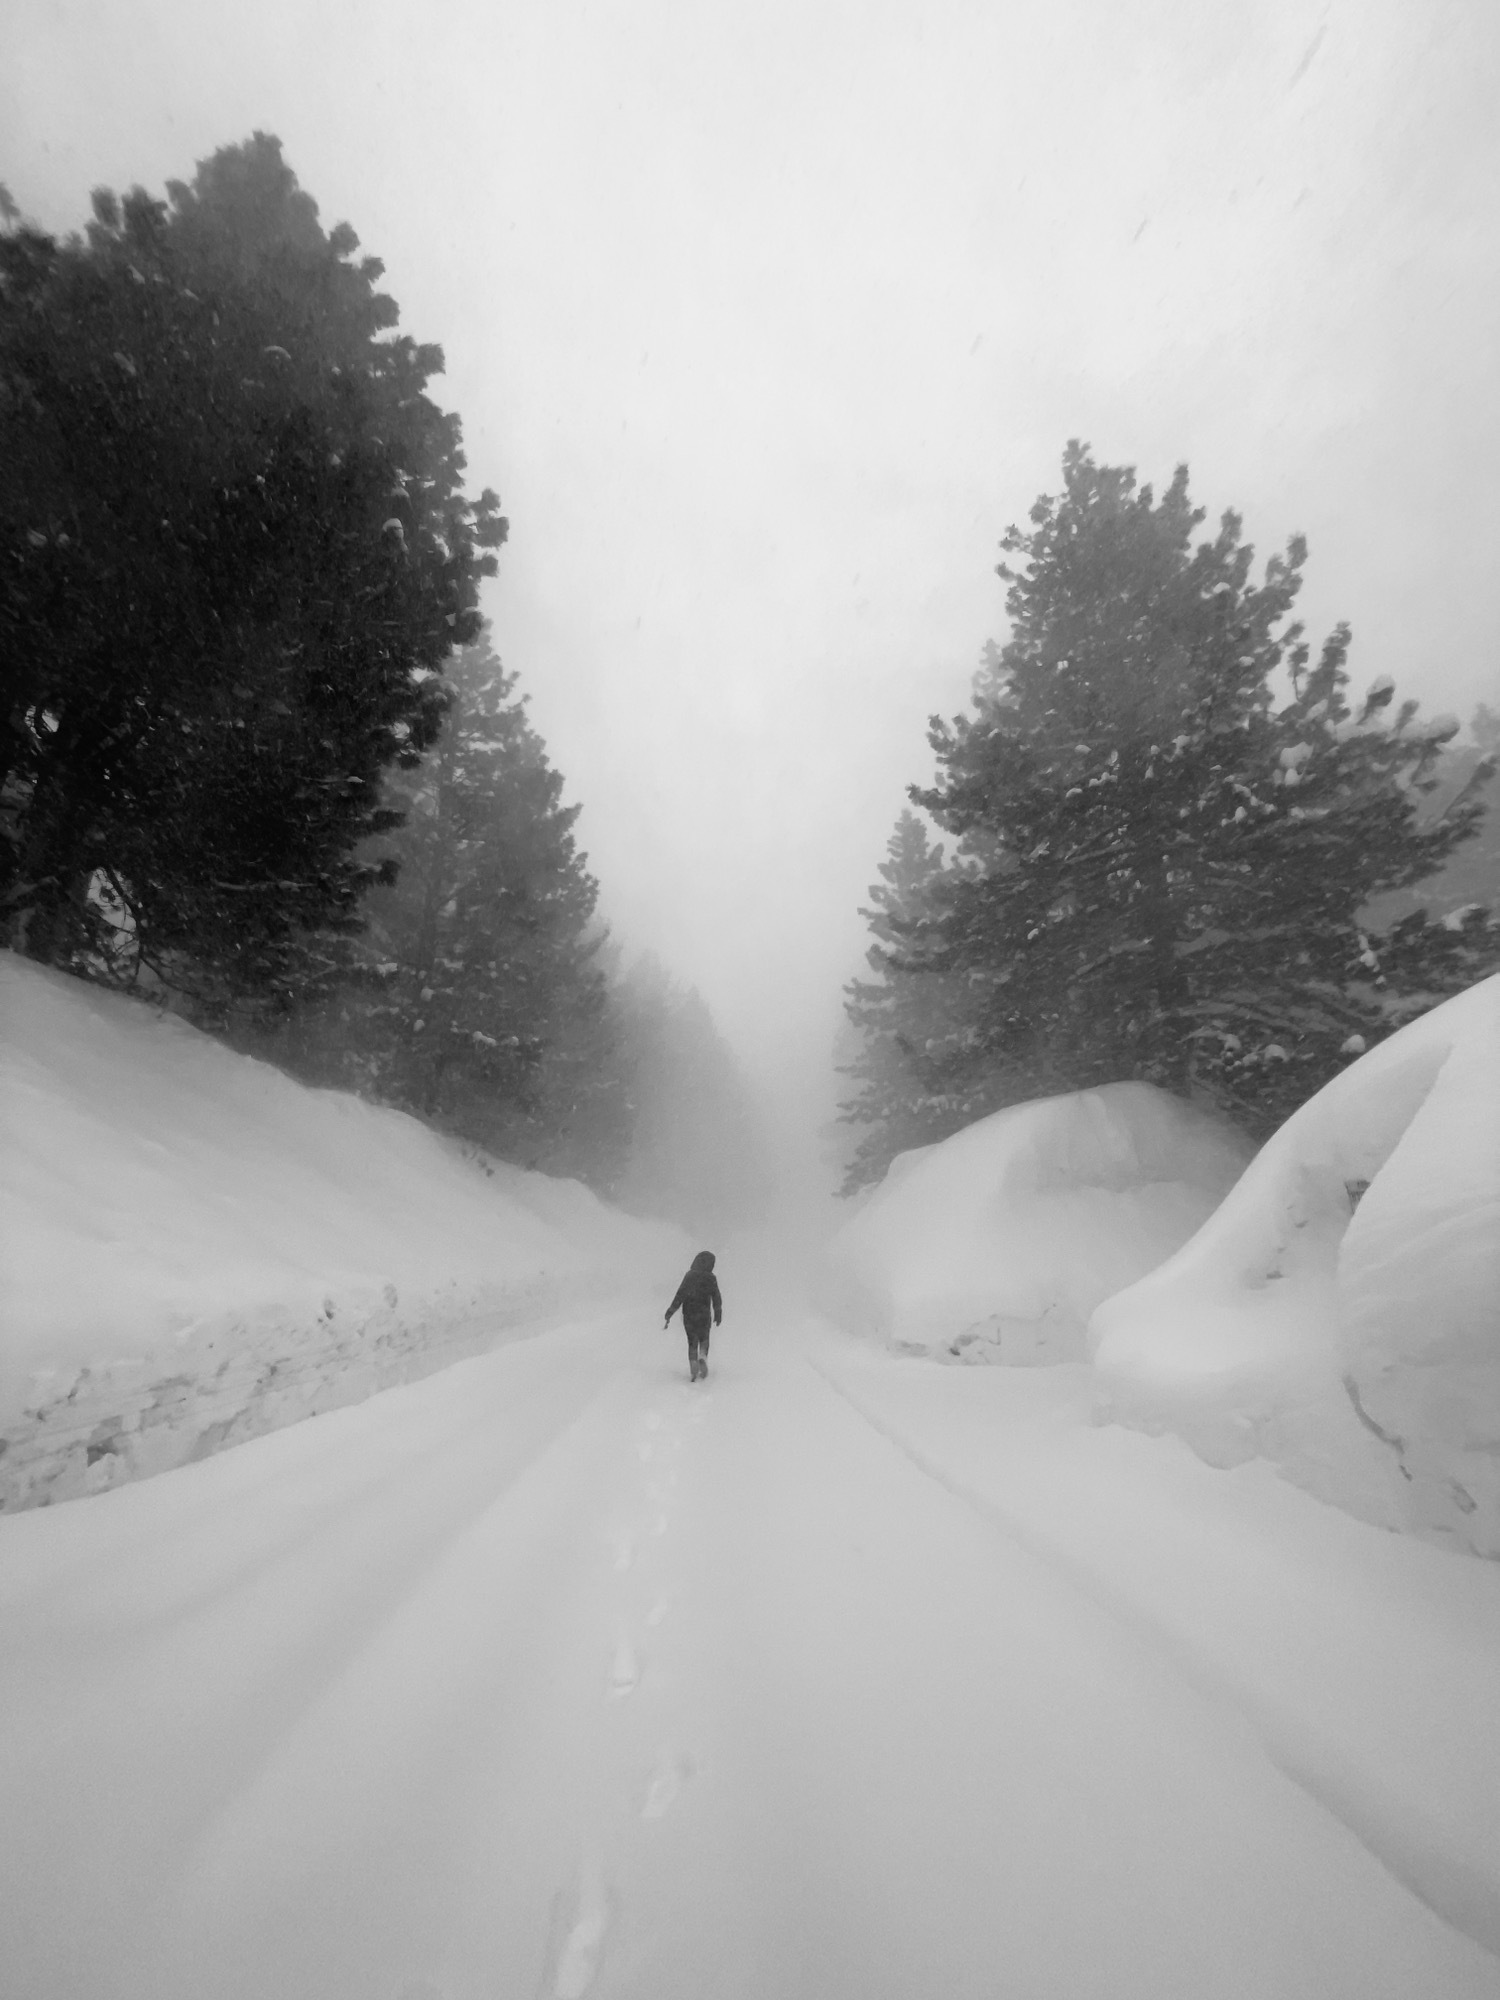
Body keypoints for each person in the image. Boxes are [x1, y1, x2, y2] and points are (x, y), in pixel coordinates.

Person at [664, 1250, 722, 1381]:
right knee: (704, 1338)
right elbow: (716, 1297)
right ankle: (702, 1356)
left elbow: (680, 1295)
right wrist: (718, 1312)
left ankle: (693, 1363)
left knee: (692, 1340)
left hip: (689, 1314)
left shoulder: (689, 1276)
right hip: (704, 1314)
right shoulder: (711, 1278)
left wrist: (670, 1311)